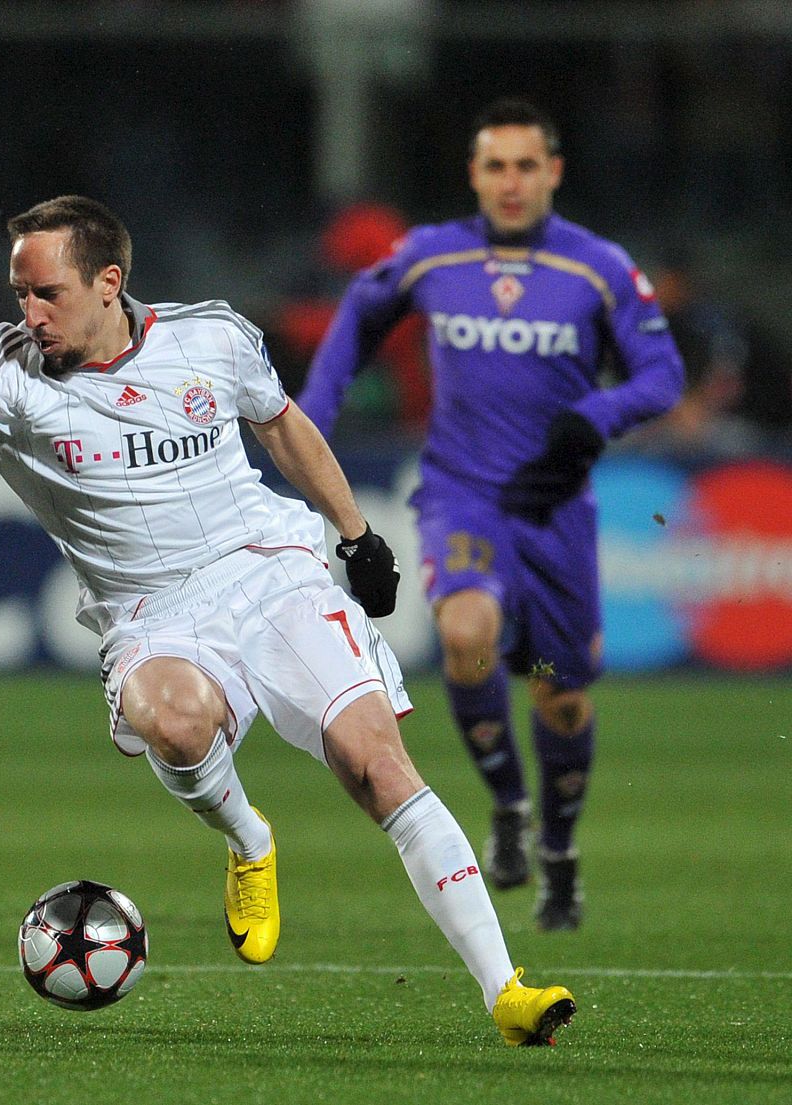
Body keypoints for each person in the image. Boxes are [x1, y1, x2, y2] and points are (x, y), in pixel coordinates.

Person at [0, 194, 576, 1046]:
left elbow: (281, 426)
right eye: (18, 292)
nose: (28, 312)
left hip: (268, 569)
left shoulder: (212, 336)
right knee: (174, 721)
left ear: (109, 283)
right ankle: (250, 841)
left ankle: (506, 991)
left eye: (45, 293)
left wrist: (356, 534)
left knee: (377, 763)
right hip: (148, 611)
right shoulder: (8, 370)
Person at [298, 99, 684, 931]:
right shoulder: (434, 254)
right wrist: (310, 419)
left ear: (554, 172)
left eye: (526, 165)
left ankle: (558, 845)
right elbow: (358, 319)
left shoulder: (599, 268)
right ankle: (508, 801)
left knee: (555, 691)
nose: (511, 182)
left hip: (553, 511)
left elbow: (662, 374)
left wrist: (595, 418)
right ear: (475, 175)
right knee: (468, 635)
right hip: (461, 495)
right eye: (495, 166)